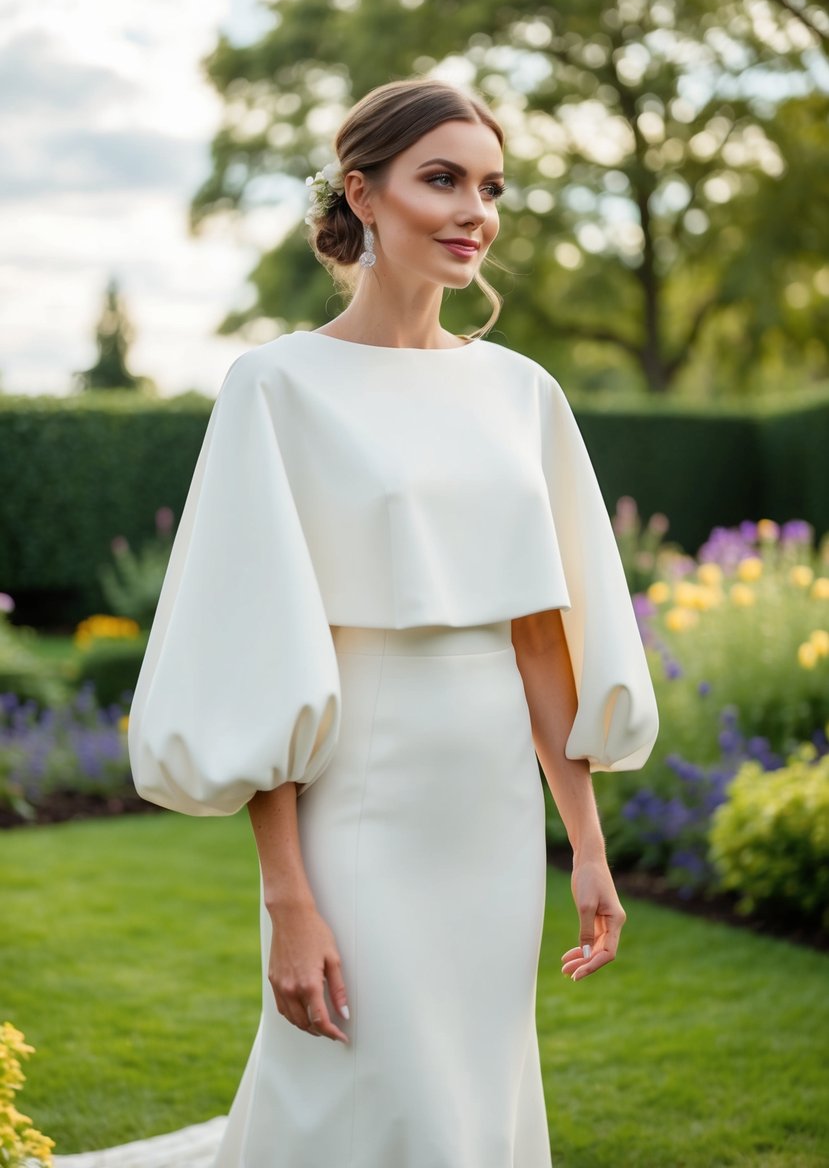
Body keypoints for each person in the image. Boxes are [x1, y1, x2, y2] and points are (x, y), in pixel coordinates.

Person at [128, 76, 659, 1168]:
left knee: (470, 1085)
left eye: (490, 186)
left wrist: (587, 843)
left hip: (492, 814)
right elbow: (262, 660)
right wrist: (288, 897)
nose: (476, 211)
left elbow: (537, 638)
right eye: (443, 179)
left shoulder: (524, 395)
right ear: (361, 195)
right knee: (369, 1079)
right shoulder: (276, 388)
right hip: (359, 801)